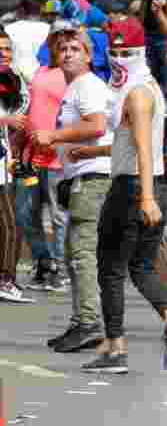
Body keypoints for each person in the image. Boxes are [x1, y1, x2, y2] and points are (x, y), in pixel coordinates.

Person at [81, 19, 167, 373]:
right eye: (115, 52)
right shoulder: (150, 86)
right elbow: (134, 145)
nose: (120, 59)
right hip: (151, 184)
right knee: (141, 266)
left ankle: (115, 347)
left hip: (133, 189)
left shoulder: (137, 94)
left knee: (110, 268)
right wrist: (89, 154)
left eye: (128, 53)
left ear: (141, 52)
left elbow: (142, 147)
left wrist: (144, 199)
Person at [30, 27, 114, 353]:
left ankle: (89, 323)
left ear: (89, 55)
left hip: (94, 179)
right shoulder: (75, 87)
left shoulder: (87, 86)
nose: (67, 53)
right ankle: (82, 321)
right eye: (62, 49)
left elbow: (96, 125)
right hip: (82, 176)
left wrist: (54, 136)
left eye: (75, 49)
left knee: (81, 252)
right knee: (76, 252)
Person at [19, 21, 69, 294]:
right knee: (26, 213)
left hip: (58, 159)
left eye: (65, 39)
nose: (59, 44)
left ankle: (60, 270)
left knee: (59, 216)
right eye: (56, 38)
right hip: (33, 156)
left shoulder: (74, 75)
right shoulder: (42, 69)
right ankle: (44, 261)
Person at [0, 29, 33, 304]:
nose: (4, 54)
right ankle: (6, 279)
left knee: (9, 223)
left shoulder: (13, 80)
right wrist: (6, 122)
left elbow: (22, 106)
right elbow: (9, 120)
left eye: (8, 49)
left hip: (4, 161)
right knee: (10, 224)